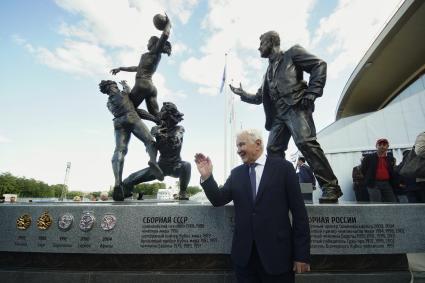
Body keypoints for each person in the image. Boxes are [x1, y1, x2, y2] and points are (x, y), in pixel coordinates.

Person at [229, 31, 341, 203]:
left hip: (296, 107)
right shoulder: (266, 73)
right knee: (273, 150)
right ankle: (278, 189)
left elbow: (319, 65)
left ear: (272, 42)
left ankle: (330, 186)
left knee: (305, 143)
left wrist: (312, 92)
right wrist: (243, 94)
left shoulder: (293, 53)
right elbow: (259, 97)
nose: (259, 48)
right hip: (278, 117)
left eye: (261, 43)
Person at [195, 129, 310, 282]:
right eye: (237, 146)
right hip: (244, 260)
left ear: (258, 144)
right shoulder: (236, 174)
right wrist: (207, 176)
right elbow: (218, 199)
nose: (238, 150)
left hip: (278, 258)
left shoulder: (284, 169)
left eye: (241, 145)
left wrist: (301, 255)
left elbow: (300, 214)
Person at [99, 80, 163, 201]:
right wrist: (124, 84)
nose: (116, 87)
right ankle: (153, 161)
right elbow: (129, 92)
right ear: (112, 86)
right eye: (115, 85)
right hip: (131, 117)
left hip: (117, 122)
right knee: (149, 141)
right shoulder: (123, 93)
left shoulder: (108, 104)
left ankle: (118, 182)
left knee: (119, 150)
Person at [123, 102, 191, 200]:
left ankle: (182, 192)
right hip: (160, 167)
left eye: (163, 110)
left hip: (175, 165)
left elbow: (175, 141)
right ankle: (126, 192)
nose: (160, 112)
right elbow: (151, 143)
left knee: (186, 165)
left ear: (169, 113)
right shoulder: (156, 129)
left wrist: (162, 134)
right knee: (129, 180)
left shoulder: (179, 128)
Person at [110, 14, 172, 117]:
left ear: (153, 43)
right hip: (151, 87)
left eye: (148, 41)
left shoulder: (155, 52)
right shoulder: (149, 55)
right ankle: (163, 124)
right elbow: (136, 68)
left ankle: (157, 121)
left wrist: (169, 24)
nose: (147, 43)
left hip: (142, 84)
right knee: (156, 113)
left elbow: (165, 35)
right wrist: (121, 68)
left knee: (128, 108)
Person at [361, 138, 397, 203]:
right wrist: (368, 179)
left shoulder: (390, 158)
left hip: (387, 183)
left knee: (392, 202)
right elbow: (363, 169)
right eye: (380, 144)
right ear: (376, 146)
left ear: (387, 146)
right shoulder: (369, 157)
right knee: (376, 203)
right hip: (373, 183)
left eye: (384, 144)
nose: (382, 146)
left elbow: (392, 170)